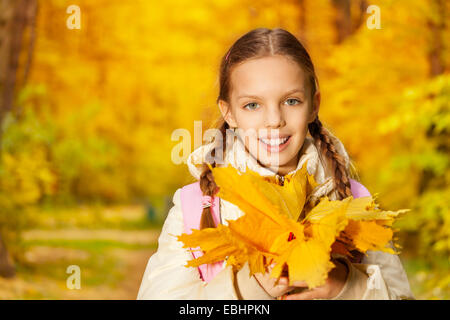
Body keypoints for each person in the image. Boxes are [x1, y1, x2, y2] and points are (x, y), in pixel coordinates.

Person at [137, 27, 414, 300]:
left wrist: (349, 288)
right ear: (229, 112)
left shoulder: (354, 202)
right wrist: (242, 292)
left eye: (291, 101)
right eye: (252, 105)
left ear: (314, 105)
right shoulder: (197, 208)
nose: (274, 119)